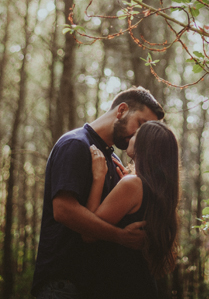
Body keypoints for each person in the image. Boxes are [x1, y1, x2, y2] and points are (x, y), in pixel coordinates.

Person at [31, 86, 165, 299]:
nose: (139, 135)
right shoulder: (75, 144)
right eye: (140, 124)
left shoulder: (113, 160)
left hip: (93, 286)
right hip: (63, 284)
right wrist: (120, 236)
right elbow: (63, 210)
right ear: (121, 110)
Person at [81, 120, 180, 299]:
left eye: (136, 135)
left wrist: (98, 177)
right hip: (141, 285)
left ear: (145, 146)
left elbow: (88, 233)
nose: (131, 136)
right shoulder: (161, 192)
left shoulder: (133, 185)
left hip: (120, 286)